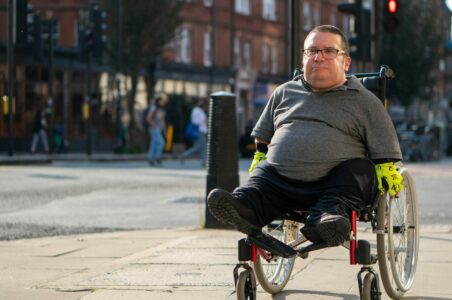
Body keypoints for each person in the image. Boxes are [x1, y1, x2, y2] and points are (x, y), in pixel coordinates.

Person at [207, 25, 403, 246]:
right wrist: (261, 156)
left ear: (346, 62)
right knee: (262, 174)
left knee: (359, 169)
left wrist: (386, 170)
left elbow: (385, 148)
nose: (318, 57)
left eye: (329, 51)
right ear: (303, 59)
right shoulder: (284, 92)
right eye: (312, 51)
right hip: (280, 184)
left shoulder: (365, 100)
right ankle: (244, 207)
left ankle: (326, 221)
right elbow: (263, 138)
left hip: (335, 186)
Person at [180, 99, 208, 167]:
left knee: (198, 146)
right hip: (199, 131)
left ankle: (184, 155)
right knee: (203, 146)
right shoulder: (195, 110)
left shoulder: (201, 110)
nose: (201, 103)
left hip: (203, 130)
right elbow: (194, 121)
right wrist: (203, 121)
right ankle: (204, 161)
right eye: (200, 101)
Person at [146, 96, 167, 166]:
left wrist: (165, 131)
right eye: (162, 101)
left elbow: (163, 121)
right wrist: (154, 125)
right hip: (154, 129)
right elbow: (148, 118)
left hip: (159, 129)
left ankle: (150, 158)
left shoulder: (163, 109)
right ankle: (157, 157)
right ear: (158, 101)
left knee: (154, 144)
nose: (163, 103)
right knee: (161, 143)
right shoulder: (153, 108)